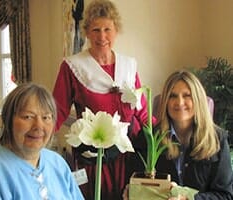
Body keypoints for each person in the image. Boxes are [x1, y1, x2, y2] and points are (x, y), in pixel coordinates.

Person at [52, 0, 149, 199]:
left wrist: (162, 134)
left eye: (108, 29)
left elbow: (141, 109)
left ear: (116, 31)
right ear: (86, 32)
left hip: (128, 153)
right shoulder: (73, 67)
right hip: (93, 157)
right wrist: (38, 138)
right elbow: (57, 110)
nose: (102, 36)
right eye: (96, 29)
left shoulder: (128, 65)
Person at [123, 70, 233, 200]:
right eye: (172, 96)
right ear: (165, 102)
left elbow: (226, 196)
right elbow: (133, 182)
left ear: (198, 99)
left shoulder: (217, 140)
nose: (179, 102)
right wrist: (130, 191)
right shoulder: (148, 138)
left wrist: (189, 198)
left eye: (187, 95)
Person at [0, 83, 84, 200]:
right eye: (28, 117)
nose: (38, 126)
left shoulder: (57, 163)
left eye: (46, 117)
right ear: (8, 119)